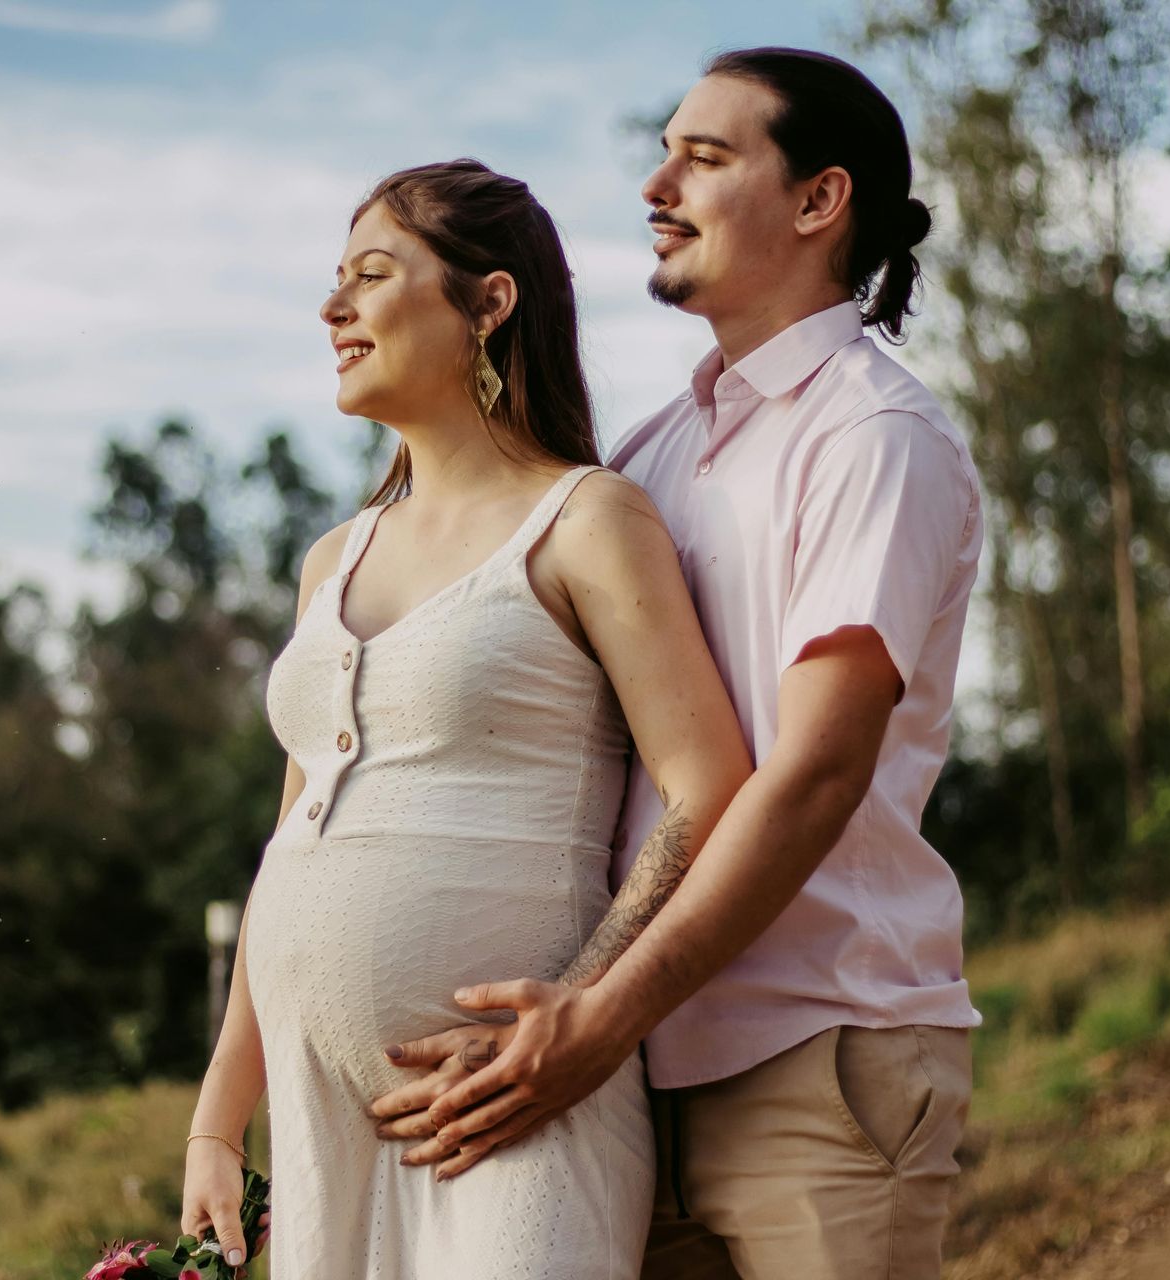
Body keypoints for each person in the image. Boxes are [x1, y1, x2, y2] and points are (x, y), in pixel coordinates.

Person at [368, 48, 986, 1280]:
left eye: (704, 157)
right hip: (634, 1081)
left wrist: (595, 1016)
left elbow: (811, 778)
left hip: (817, 1057)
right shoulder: (647, 460)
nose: (658, 183)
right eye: (663, 150)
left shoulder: (873, 439)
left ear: (820, 201)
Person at [177, 158, 753, 1277]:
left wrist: (578, 1011)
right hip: (320, 1123)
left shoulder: (588, 520)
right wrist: (217, 1109)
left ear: (490, 301)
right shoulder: (331, 558)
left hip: (514, 1113)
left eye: (373, 274)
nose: (333, 306)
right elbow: (291, 844)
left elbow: (711, 784)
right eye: (333, 279)